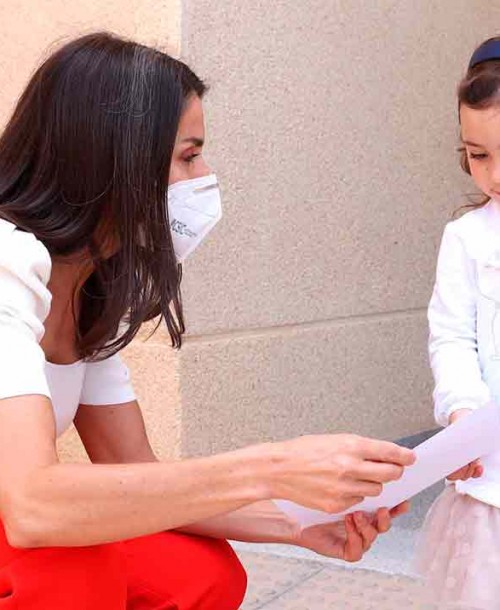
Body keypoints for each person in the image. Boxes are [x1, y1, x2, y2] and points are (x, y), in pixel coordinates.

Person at [0, 32, 415, 610]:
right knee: (73, 571)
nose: (204, 178)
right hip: (16, 511)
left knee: (196, 574)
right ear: (115, 158)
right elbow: (32, 504)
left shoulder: (89, 286)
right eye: (189, 155)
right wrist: (271, 468)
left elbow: (131, 469)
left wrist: (296, 522)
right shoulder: (7, 262)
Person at [416, 36, 500, 610]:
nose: (494, 174)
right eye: (479, 155)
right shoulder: (467, 238)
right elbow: (451, 335)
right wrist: (462, 411)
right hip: (491, 479)